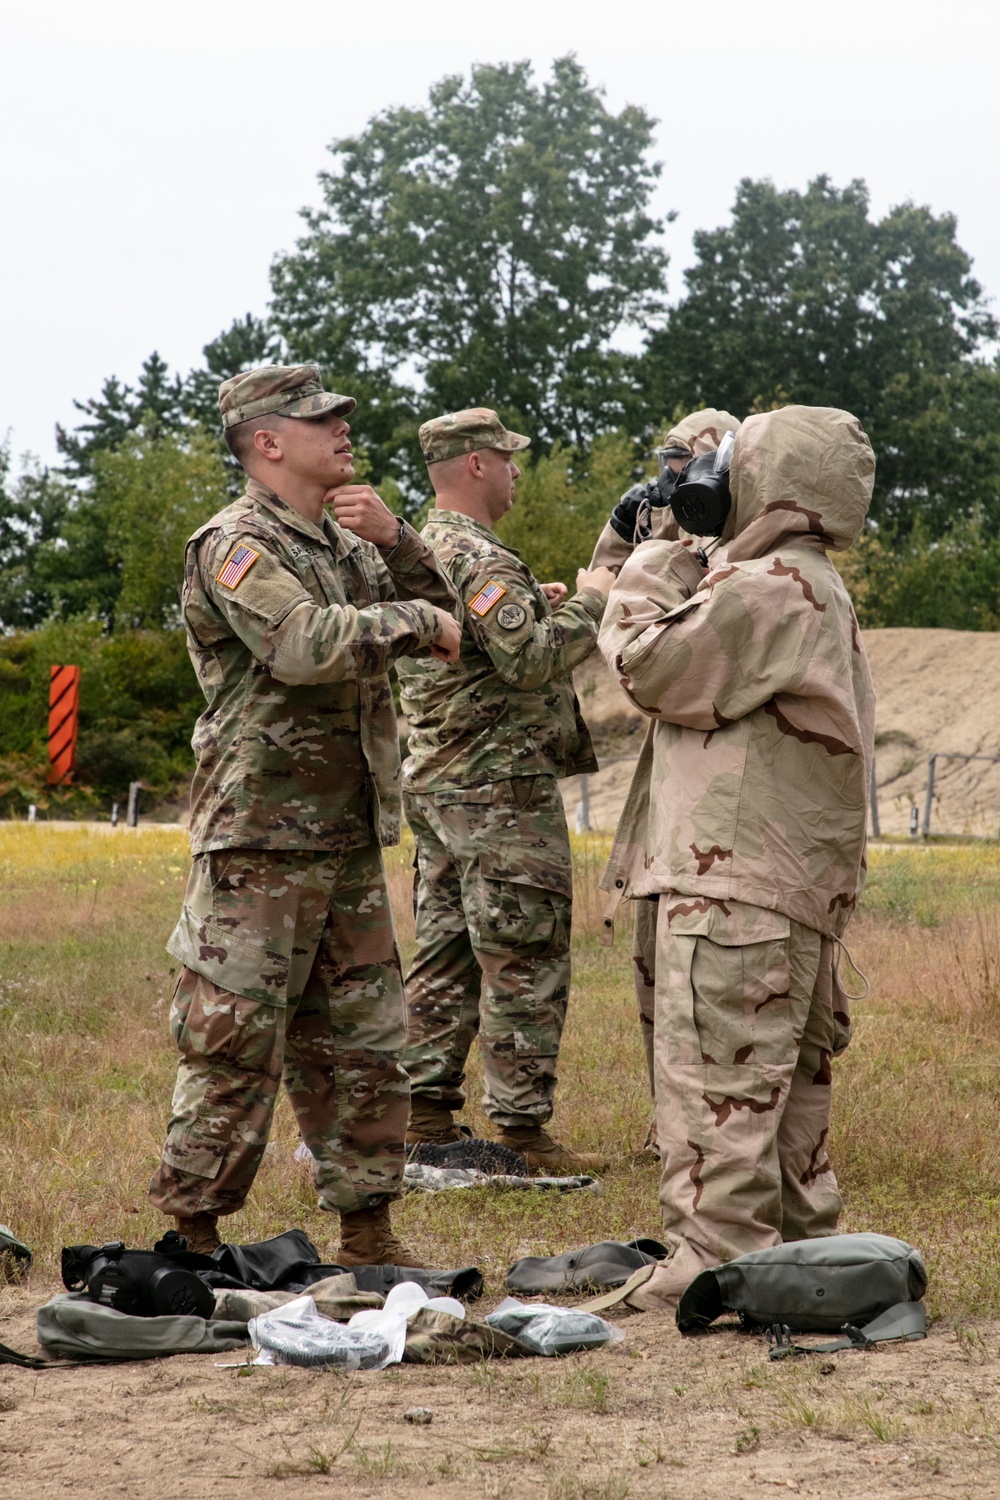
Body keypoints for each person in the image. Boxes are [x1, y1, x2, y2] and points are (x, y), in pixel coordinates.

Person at [148, 364, 462, 1263]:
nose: (344, 429)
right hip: (259, 840)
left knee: (364, 1046)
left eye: (342, 417)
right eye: (322, 419)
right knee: (233, 1040)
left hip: (346, 835)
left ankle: (369, 1232)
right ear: (268, 441)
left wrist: (401, 541)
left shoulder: (349, 545)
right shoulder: (236, 544)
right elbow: (300, 645)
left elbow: (448, 622)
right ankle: (194, 1238)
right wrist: (407, 616)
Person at [598, 405, 875, 1309]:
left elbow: (649, 668)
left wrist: (653, 560)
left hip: (734, 890)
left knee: (716, 1086)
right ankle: (799, 1262)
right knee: (777, 1100)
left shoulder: (766, 589)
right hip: (774, 883)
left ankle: (714, 1266)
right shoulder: (802, 581)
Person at [396, 408, 616, 1171]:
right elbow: (529, 664)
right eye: (508, 457)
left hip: (441, 783)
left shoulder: (425, 549)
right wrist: (594, 598)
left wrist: (536, 608)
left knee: (446, 948)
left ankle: (423, 1111)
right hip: (499, 788)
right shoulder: (478, 556)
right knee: (524, 951)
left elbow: (482, 648)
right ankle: (522, 1131)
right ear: (477, 466)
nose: (519, 470)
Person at [590, 409, 742, 1146]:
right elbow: (614, 610)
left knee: (722, 961)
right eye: (674, 461)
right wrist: (641, 537)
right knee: (656, 945)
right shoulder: (658, 515)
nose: (682, 477)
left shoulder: (756, 534)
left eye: (696, 463)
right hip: (668, 756)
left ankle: (730, 1122)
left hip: (732, 765)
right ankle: (670, 1118)